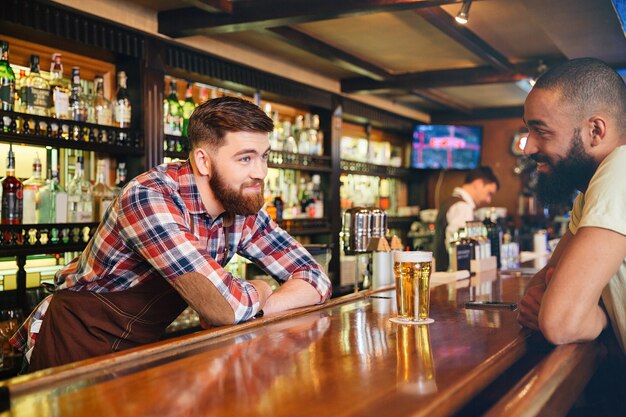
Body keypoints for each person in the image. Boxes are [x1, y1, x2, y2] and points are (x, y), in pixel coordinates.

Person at [11, 96, 332, 371]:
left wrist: (263, 309)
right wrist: (262, 286)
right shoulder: (151, 198)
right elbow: (226, 308)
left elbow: (316, 278)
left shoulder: (241, 204)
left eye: (264, 157)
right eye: (245, 158)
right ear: (203, 161)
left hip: (141, 349)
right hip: (76, 344)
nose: (260, 172)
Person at [433, 166, 499, 271]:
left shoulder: (454, 202)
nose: (488, 200)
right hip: (453, 276)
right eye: (489, 193)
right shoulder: (462, 207)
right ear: (478, 184)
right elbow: (458, 249)